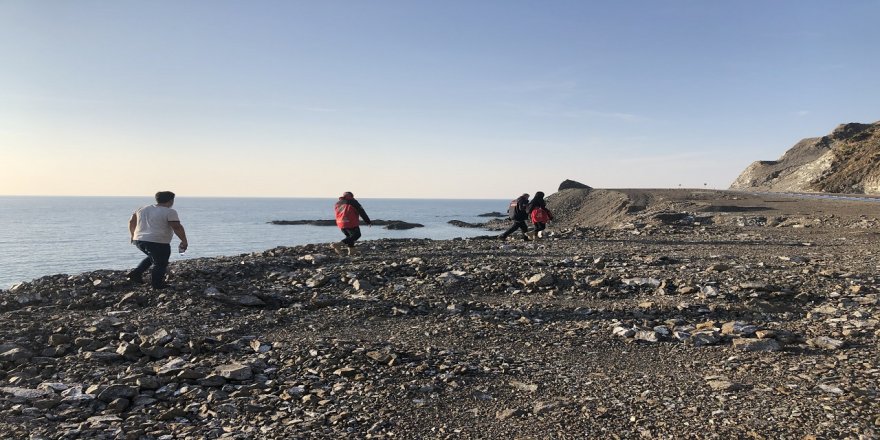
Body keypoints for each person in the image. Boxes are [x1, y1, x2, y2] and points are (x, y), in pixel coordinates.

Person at [127, 191, 188, 289]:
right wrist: (184, 240)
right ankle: (157, 284)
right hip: (157, 241)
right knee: (161, 263)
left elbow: (131, 221)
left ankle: (136, 274)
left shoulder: (142, 209)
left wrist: (132, 235)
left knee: (153, 257)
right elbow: (176, 227)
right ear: (171, 200)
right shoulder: (169, 211)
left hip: (140, 240)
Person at [331, 192, 371, 256]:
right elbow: (361, 212)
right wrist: (368, 221)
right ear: (351, 196)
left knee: (349, 237)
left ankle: (351, 251)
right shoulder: (353, 202)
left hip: (340, 223)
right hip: (351, 222)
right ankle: (338, 245)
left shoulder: (338, 203)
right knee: (357, 235)